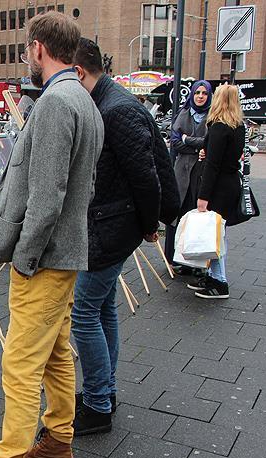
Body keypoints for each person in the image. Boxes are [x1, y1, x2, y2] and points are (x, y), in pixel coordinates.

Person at [0, 12, 103, 458]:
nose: (27, 57)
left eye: (28, 49)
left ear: (39, 48)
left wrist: (23, 258)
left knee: (21, 365)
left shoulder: (56, 104)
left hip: (45, 259)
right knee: (56, 352)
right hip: (66, 254)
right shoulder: (84, 100)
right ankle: (58, 443)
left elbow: (47, 198)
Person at [71, 38, 165, 435]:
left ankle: (96, 404)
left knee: (83, 314)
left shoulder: (117, 109)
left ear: (78, 73)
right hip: (113, 223)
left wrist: (149, 225)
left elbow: (146, 178)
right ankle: (104, 391)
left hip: (112, 227)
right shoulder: (108, 102)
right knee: (103, 308)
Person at [191, 84, 246, 299]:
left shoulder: (218, 127)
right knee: (218, 235)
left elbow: (213, 166)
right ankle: (214, 277)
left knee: (214, 236)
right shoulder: (238, 126)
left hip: (217, 187)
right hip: (231, 183)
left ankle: (219, 280)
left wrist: (203, 197)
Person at [167, 81, 213, 275]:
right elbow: (175, 142)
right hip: (181, 171)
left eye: (204, 93)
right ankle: (174, 257)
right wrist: (197, 147)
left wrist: (188, 140)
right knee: (177, 212)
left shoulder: (212, 117)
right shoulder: (183, 114)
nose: (200, 96)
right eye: (197, 93)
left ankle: (196, 261)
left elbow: (210, 142)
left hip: (200, 172)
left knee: (196, 215)